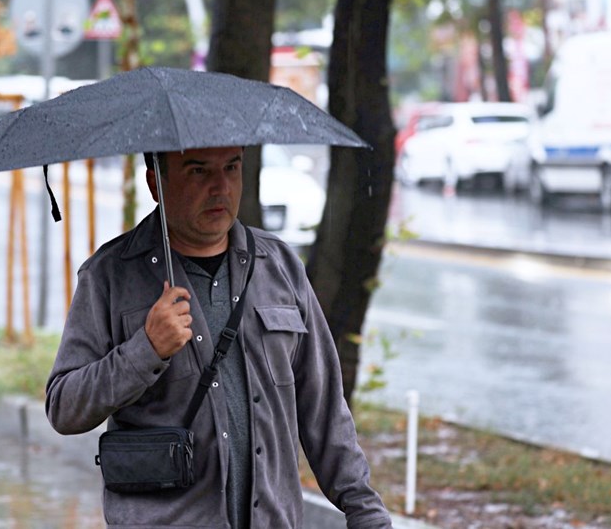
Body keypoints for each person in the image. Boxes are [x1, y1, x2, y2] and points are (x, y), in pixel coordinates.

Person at [45, 146, 393, 528]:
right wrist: (144, 350)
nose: (220, 186)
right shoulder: (109, 276)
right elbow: (64, 406)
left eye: (231, 167)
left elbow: (323, 409)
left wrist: (366, 513)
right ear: (155, 182)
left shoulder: (278, 267)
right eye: (198, 171)